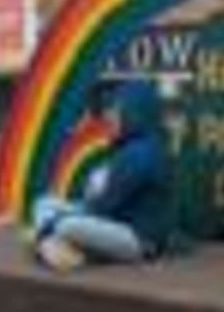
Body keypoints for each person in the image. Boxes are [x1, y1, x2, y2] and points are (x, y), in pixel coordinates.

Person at [32, 80, 172, 272]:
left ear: (134, 113)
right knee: (44, 204)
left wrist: (49, 226)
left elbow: (102, 207)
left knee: (67, 225)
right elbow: (95, 199)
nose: (109, 117)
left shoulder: (144, 153)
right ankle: (60, 247)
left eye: (116, 111)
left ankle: (53, 245)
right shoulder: (129, 147)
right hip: (114, 220)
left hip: (139, 240)